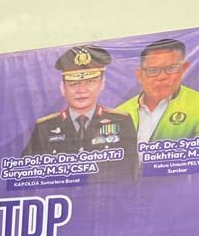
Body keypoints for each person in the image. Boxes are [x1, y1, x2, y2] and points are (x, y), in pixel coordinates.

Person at [22, 45, 137, 181]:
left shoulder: (121, 122)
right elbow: (26, 174)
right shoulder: (45, 128)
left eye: (90, 82)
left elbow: (132, 173)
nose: (82, 90)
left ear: (102, 84)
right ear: (63, 88)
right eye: (74, 84)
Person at [115, 38, 199, 144]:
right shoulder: (119, 114)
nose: (162, 77)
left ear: (184, 69)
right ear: (139, 75)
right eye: (153, 70)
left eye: (171, 68)